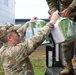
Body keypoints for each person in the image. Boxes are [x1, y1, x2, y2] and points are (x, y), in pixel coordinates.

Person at [46, 0, 76, 75]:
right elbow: (51, 2)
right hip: (66, 13)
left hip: (71, 8)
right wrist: (54, 13)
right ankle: (69, 66)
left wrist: (71, 7)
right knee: (65, 38)